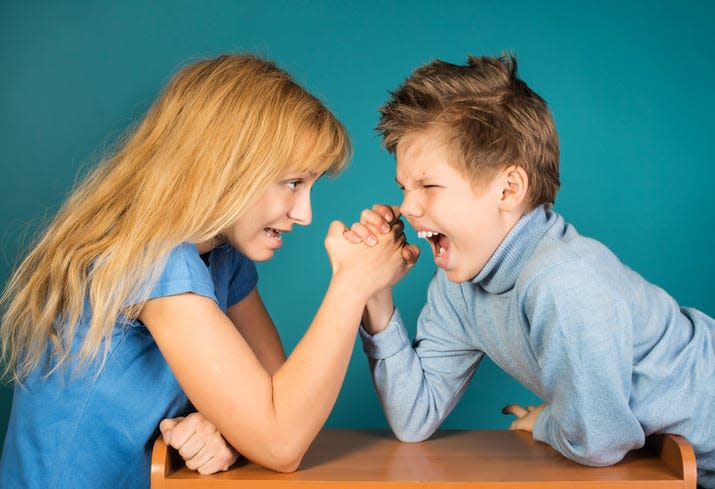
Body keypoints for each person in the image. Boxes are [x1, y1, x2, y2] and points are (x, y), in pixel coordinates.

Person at [0, 54, 416, 488]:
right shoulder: (153, 257)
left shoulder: (221, 255)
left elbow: (283, 401)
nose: (306, 213)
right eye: (293, 183)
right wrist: (352, 284)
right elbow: (281, 440)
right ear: (227, 168)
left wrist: (229, 433)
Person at [344, 54, 715, 487]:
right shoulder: (458, 287)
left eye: (428, 185)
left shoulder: (563, 280)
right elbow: (414, 417)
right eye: (404, 188)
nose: (407, 207)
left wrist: (545, 423)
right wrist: (375, 295)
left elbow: (601, 441)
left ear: (508, 189)